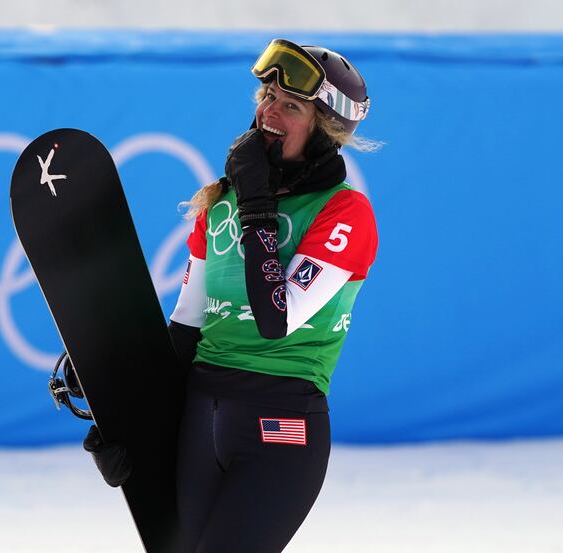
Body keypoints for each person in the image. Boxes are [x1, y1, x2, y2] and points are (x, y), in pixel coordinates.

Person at [165, 38, 380, 552]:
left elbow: (275, 318)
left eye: (291, 106)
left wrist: (256, 206)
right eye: (266, 97)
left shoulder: (345, 213)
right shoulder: (219, 203)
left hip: (280, 425)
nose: (269, 112)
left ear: (326, 128)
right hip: (199, 417)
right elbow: (186, 327)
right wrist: (132, 418)